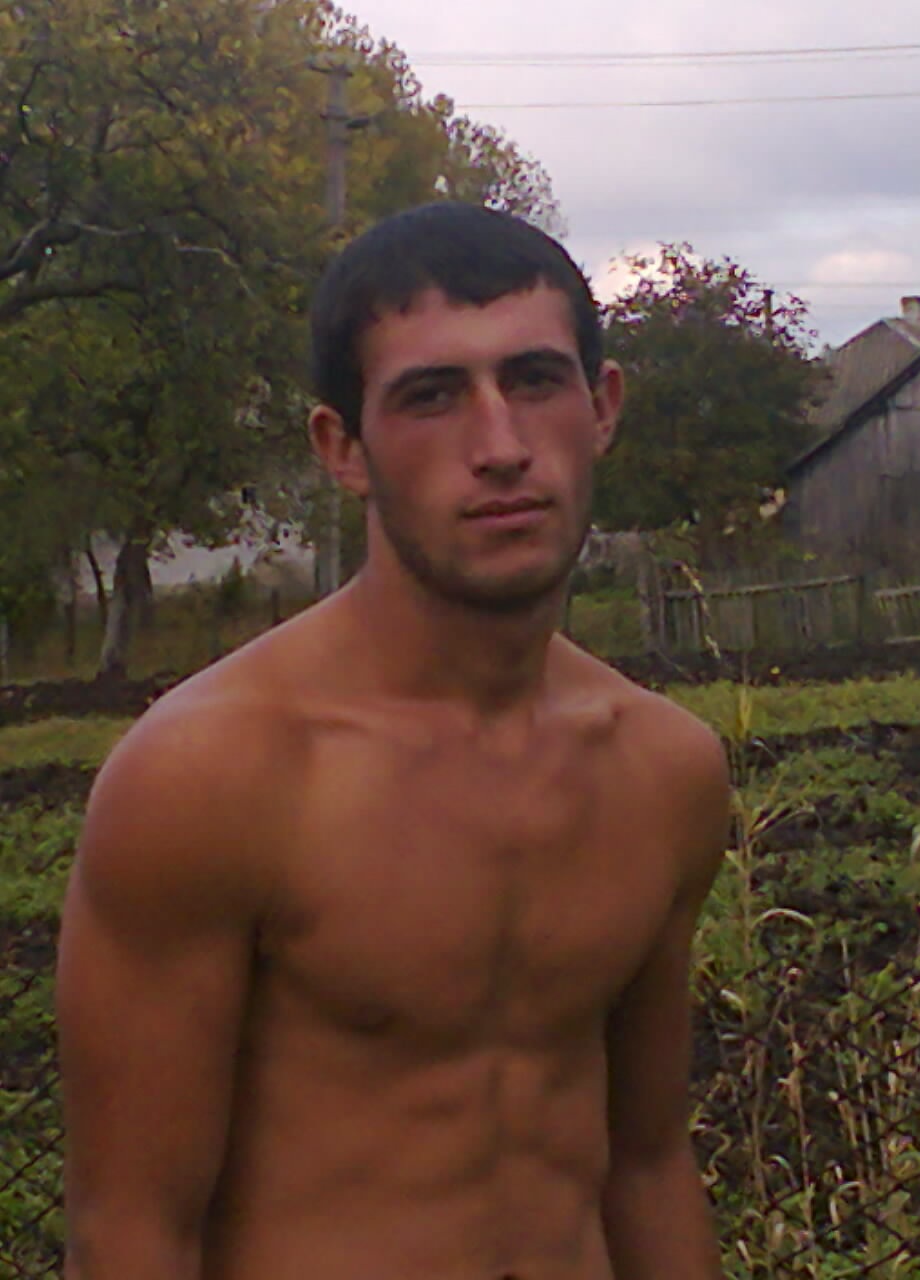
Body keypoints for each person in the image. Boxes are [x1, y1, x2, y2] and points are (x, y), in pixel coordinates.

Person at [56, 202, 730, 1279]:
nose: (501, 447)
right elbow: (132, 1231)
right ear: (345, 448)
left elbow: (646, 1163)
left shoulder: (663, 771)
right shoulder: (215, 774)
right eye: (431, 396)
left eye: (535, 381)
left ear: (601, 406)